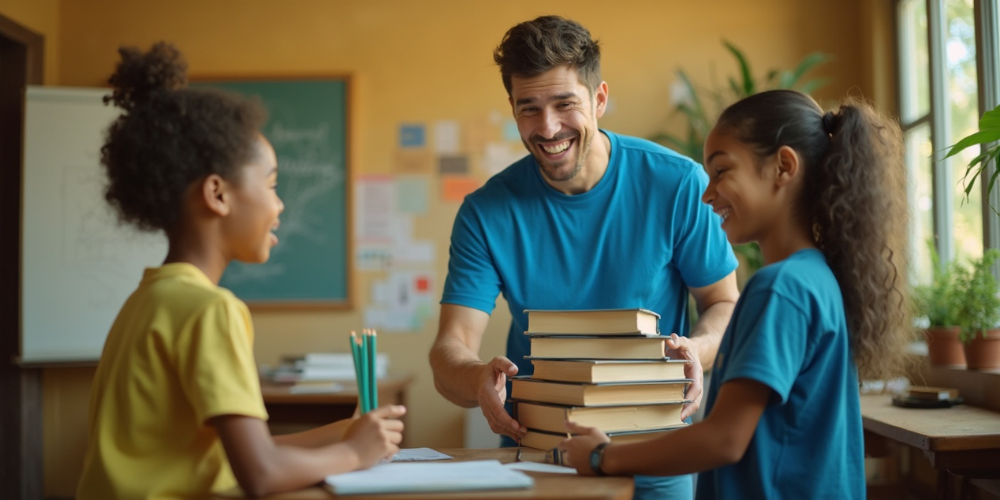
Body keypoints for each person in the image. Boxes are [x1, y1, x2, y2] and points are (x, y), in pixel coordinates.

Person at [428, 15, 740, 499]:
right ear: (512, 108)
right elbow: (450, 347)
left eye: (564, 103)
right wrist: (477, 380)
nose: (548, 127)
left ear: (599, 98)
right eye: (528, 108)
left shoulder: (678, 184)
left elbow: (724, 303)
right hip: (537, 459)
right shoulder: (485, 212)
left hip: (654, 460)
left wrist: (693, 353)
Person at [76, 42, 405, 499]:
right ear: (217, 194)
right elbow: (261, 474)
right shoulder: (211, 310)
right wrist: (353, 455)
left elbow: (239, 452)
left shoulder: (147, 300)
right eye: (271, 185)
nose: (280, 203)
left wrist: (347, 434)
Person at [559, 89, 912, 499]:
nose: (707, 195)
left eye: (722, 171)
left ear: (783, 166)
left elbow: (724, 439)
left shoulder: (781, 288)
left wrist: (604, 455)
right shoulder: (816, 277)